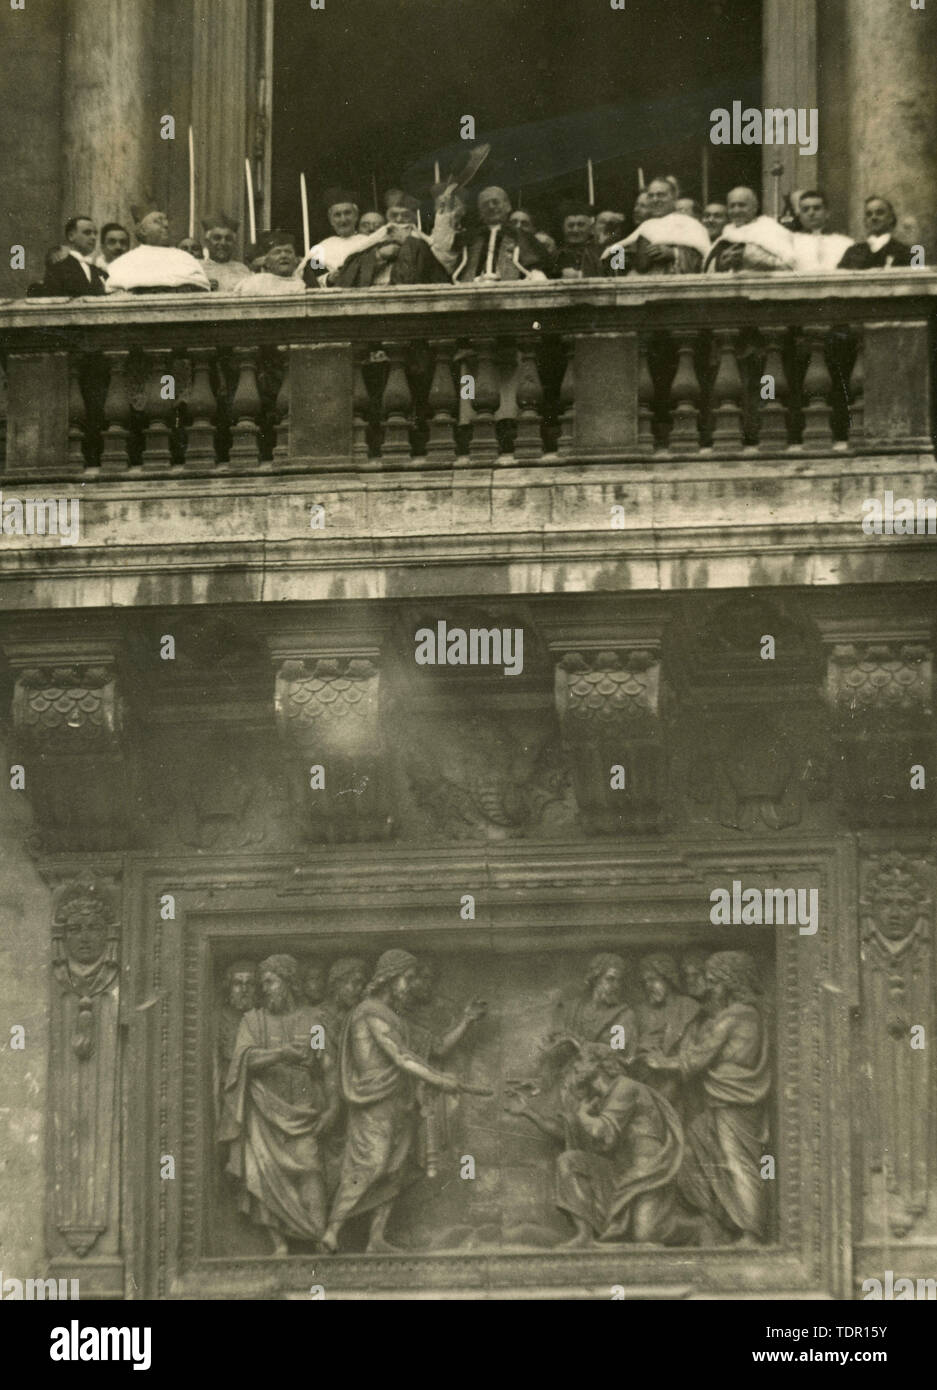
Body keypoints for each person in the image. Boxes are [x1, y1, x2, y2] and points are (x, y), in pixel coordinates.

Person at [320, 949, 461, 1254]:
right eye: (406, 978)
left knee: (395, 1169)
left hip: (400, 1103)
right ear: (388, 978)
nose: (409, 985)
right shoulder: (370, 1011)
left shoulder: (395, 1018)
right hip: (374, 1101)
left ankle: (376, 1238)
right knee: (370, 1163)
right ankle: (332, 1230)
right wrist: (440, 1080)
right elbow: (400, 1056)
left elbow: (425, 1049)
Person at [646, 950, 770, 1244]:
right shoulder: (746, 1015)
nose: (711, 988)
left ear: (729, 982)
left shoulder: (736, 1016)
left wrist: (659, 1062)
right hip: (721, 1102)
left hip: (734, 1101)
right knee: (694, 1145)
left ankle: (751, 1233)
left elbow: (699, 1058)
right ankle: (717, 1217)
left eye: (714, 982)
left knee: (739, 1162)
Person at [506, 1046, 684, 1246]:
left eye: (582, 1060)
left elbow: (602, 1131)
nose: (576, 1066)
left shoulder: (626, 1087)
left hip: (647, 1169)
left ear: (599, 1064)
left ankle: (698, 1227)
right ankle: (584, 1235)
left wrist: (583, 1115)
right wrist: (527, 1111)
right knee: (569, 1160)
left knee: (645, 1236)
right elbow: (568, 1132)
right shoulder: (596, 1101)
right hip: (619, 1171)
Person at [220, 954, 338, 1253]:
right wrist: (281, 1054)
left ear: (288, 983)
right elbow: (244, 1059)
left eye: (270, 982)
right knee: (264, 1172)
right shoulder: (253, 1021)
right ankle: (279, 1245)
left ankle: (319, 1238)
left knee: (311, 1168)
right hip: (263, 1110)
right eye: (264, 984)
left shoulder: (313, 1019)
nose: (265, 989)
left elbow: (327, 1066)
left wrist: (334, 1106)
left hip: (303, 1108)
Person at [602, 177, 710, 276]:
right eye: (651, 195)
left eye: (661, 195)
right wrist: (623, 260)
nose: (655, 199)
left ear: (674, 197)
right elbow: (618, 263)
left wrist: (673, 253)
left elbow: (706, 261)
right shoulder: (645, 226)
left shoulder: (690, 224)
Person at [105, 205, 211, 292]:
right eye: (158, 221)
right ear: (143, 230)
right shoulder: (125, 261)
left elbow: (202, 285)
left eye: (166, 221)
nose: (166, 225)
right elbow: (113, 288)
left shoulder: (185, 257)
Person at [551, 952, 637, 1058]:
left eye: (619, 981)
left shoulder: (624, 1015)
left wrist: (580, 1045)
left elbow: (617, 1052)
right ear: (595, 979)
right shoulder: (573, 1009)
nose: (616, 986)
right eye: (610, 979)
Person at [298, 188, 389, 287]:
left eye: (347, 213)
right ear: (331, 220)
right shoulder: (321, 248)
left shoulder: (368, 242)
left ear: (356, 216)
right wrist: (329, 278)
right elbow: (311, 279)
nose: (343, 219)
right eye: (337, 215)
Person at [705, 187, 795, 272]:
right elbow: (707, 271)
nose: (736, 210)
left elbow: (789, 266)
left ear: (755, 208)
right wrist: (720, 264)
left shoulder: (771, 230)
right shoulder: (725, 235)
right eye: (732, 206)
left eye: (742, 205)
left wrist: (748, 257)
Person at [838, 195, 914, 269]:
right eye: (869, 214)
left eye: (880, 213)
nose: (874, 217)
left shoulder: (905, 252)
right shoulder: (853, 252)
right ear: (865, 221)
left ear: (891, 218)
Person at [39, 215, 108, 295]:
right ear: (71, 236)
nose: (93, 237)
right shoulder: (58, 267)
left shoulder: (96, 270)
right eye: (87, 233)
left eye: (95, 233)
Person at [790, 190, 853, 272]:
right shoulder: (791, 242)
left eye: (816, 208)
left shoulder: (845, 243)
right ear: (800, 216)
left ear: (827, 213)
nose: (811, 213)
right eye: (805, 209)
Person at [234, 230, 305, 294]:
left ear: (296, 260)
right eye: (277, 252)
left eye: (288, 252)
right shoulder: (255, 283)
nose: (284, 256)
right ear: (266, 261)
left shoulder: (302, 284)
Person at [201, 211, 251, 291]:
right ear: (207, 242)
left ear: (234, 243)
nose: (223, 243)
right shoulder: (198, 268)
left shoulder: (242, 269)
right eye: (217, 238)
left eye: (228, 239)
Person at [554, 201, 603, 278]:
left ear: (590, 228)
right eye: (570, 225)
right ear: (563, 229)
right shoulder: (556, 257)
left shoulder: (601, 254)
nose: (575, 230)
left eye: (581, 225)